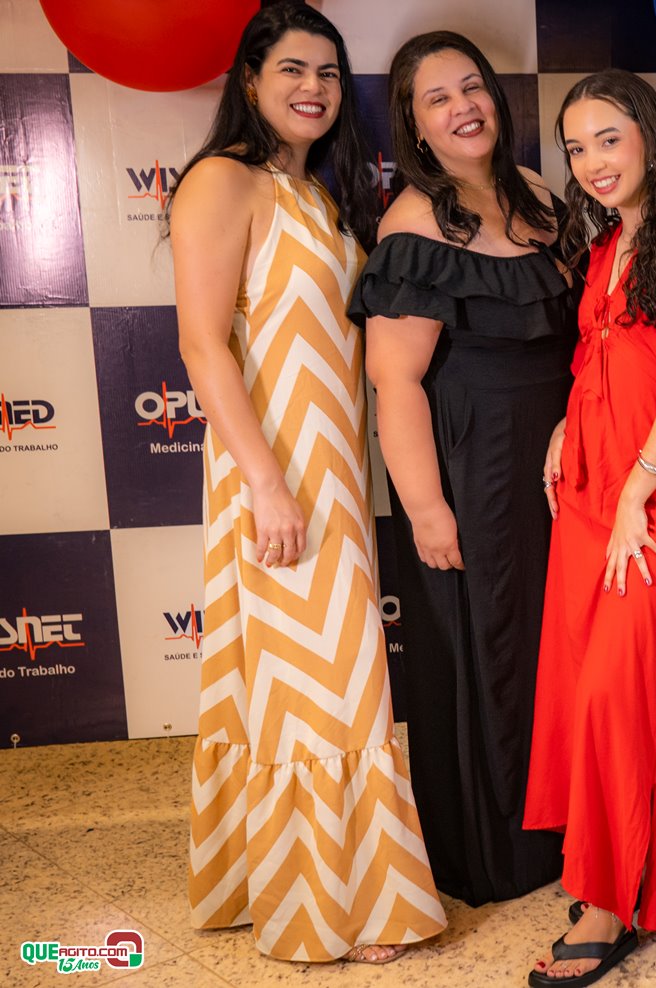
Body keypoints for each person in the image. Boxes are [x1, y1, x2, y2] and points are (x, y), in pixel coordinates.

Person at [171, 4, 446, 963]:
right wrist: (265, 482)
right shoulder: (223, 180)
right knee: (322, 676)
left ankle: (294, 881)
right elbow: (202, 345)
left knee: (308, 675)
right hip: (278, 470)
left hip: (331, 468)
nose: (314, 88)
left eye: (328, 73)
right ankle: (338, 903)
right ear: (250, 78)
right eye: (293, 69)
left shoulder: (315, 195)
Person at [523, 69, 656, 985]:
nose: (592, 162)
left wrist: (635, 496)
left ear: (651, 137)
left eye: (608, 139)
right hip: (588, 490)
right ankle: (608, 874)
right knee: (584, 691)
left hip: (651, 501)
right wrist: (565, 426)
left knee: (619, 693)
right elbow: (602, 355)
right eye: (577, 148)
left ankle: (611, 908)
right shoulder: (606, 246)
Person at [348, 31, 571, 907]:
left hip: (558, 457)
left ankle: (564, 830)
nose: (463, 107)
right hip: (473, 463)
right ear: (414, 124)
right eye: (437, 98)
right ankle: (496, 854)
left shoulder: (541, 194)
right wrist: (426, 507)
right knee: (492, 646)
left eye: (471, 87)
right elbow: (394, 379)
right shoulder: (412, 224)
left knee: (551, 645)